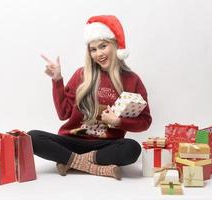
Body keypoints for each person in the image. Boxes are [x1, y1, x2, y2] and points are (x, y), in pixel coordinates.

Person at [28, 15, 152, 180]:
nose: (98, 54)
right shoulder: (82, 75)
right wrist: (57, 80)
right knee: (32, 138)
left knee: (132, 148)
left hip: (105, 146)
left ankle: (69, 162)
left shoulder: (132, 80)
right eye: (93, 49)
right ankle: (93, 167)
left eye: (103, 46)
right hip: (72, 141)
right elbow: (63, 114)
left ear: (115, 46)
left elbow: (145, 122)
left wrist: (117, 122)